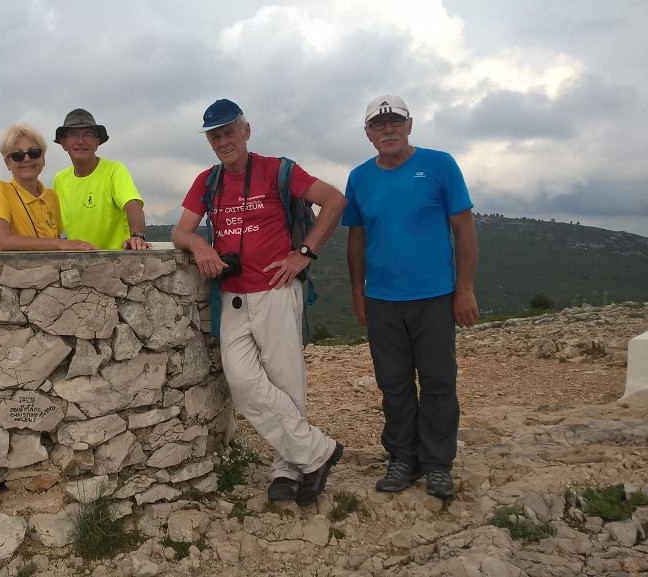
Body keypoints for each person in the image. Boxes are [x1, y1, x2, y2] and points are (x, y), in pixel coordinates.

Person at [172, 99, 347, 506]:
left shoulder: (278, 170)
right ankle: (317, 453)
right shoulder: (207, 181)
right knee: (241, 379)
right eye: (215, 135)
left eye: (229, 132)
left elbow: (335, 201)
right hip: (233, 295)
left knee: (285, 379)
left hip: (276, 289)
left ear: (246, 131)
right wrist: (200, 244)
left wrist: (304, 252)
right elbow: (182, 231)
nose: (223, 141)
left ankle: (287, 467)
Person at [343, 95, 478, 499]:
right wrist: (357, 293)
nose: (388, 130)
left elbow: (465, 229)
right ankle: (403, 457)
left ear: (409, 125)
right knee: (393, 384)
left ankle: (437, 463)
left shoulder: (440, 165)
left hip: (435, 296)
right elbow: (356, 238)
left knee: (438, 382)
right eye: (378, 125)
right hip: (382, 300)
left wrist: (465, 289)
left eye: (395, 122)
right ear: (368, 133)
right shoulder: (359, 178)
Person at [0, 123, 97, 252]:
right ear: (8, 163)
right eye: (17, 155)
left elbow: (61, 238)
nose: (26, 159)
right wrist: (59, 244)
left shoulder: (52, 196)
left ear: (43, 158)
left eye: (34, 153)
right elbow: (3, 241)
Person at [52, 109, 151, 250]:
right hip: (74, 264)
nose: (80, 141)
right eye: (73, 134)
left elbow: (132, 204)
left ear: (97, 142)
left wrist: (137, 235)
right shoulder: (59, 179)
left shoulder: (114, 170)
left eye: (88, 135)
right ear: (64, 143)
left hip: (114, 264)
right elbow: (55, 224)